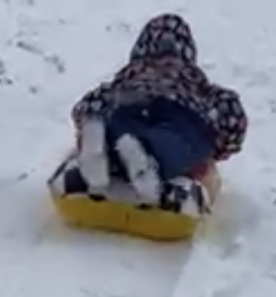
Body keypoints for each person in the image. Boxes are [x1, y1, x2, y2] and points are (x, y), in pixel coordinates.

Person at [62, 12, 247, 214]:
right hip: (178, 113)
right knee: (180, 143)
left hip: (131, 104)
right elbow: (231, 112)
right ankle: (148, 164)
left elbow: (89, 104)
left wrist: (86, 121)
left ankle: (101, 148)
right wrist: (220, 146)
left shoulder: (131, 75)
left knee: (118, 129)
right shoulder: (198, 84)